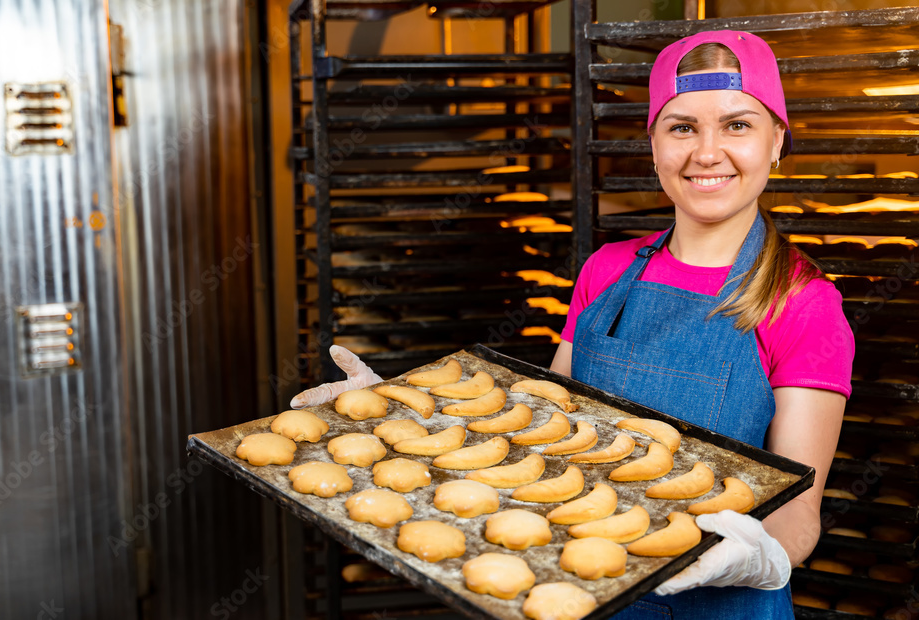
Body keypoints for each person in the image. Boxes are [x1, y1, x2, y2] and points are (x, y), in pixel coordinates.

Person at [293, 29, 853, 620]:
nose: (706, 152)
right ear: (655, 146)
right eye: (682, 126)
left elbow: (797, 520)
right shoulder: (605, 272)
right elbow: (539, 437)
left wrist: (749, 558)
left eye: (738, 125)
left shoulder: (805, 304)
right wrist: (402, 412)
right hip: (581, 599)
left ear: (776, 142)